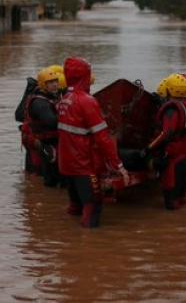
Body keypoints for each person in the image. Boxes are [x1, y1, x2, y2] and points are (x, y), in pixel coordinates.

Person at [57, 57, 129, 228]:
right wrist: (118, 166)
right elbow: (103, 139)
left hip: (66, 165)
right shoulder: (87, 101)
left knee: (75, 207)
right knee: (93, 207)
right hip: (83, 165)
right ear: (85, 76)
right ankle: (88, 249)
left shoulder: (64, 99)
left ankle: (66, 243)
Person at [147, 74, 186, 210]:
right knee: (181, 197)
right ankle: (181, 225)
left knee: (171, 200)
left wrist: (149, 149)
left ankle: (173, 227)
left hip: (174, 156)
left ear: (170, 90)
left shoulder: (172, 110)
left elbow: (166, 133)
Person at [22, 67, 64, 187]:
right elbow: (52, 122)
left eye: (55, 81)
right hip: (44, 143)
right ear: (42, 84)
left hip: (48, 141)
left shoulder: (52, 97)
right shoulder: (40, 103)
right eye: (50, 82)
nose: (55, 84)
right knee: (50, 175)